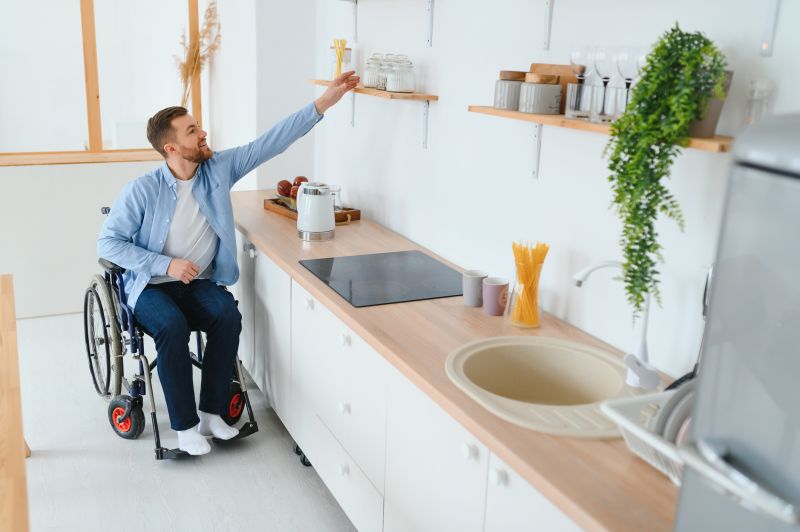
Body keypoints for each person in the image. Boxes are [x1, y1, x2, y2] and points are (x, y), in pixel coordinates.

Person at [98, 71, 360, 455]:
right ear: (171, 148)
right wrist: (164, 264)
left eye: (198, 127)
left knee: (227, 316)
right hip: (149, 286)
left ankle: (211, 414)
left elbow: (271, 142)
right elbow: (108, 242)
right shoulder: (142, 189)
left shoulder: (219, 169)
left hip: (196, 284)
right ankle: (185, 428)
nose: (202, 134)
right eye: (192, 131)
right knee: (171, 325)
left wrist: (322, 104)